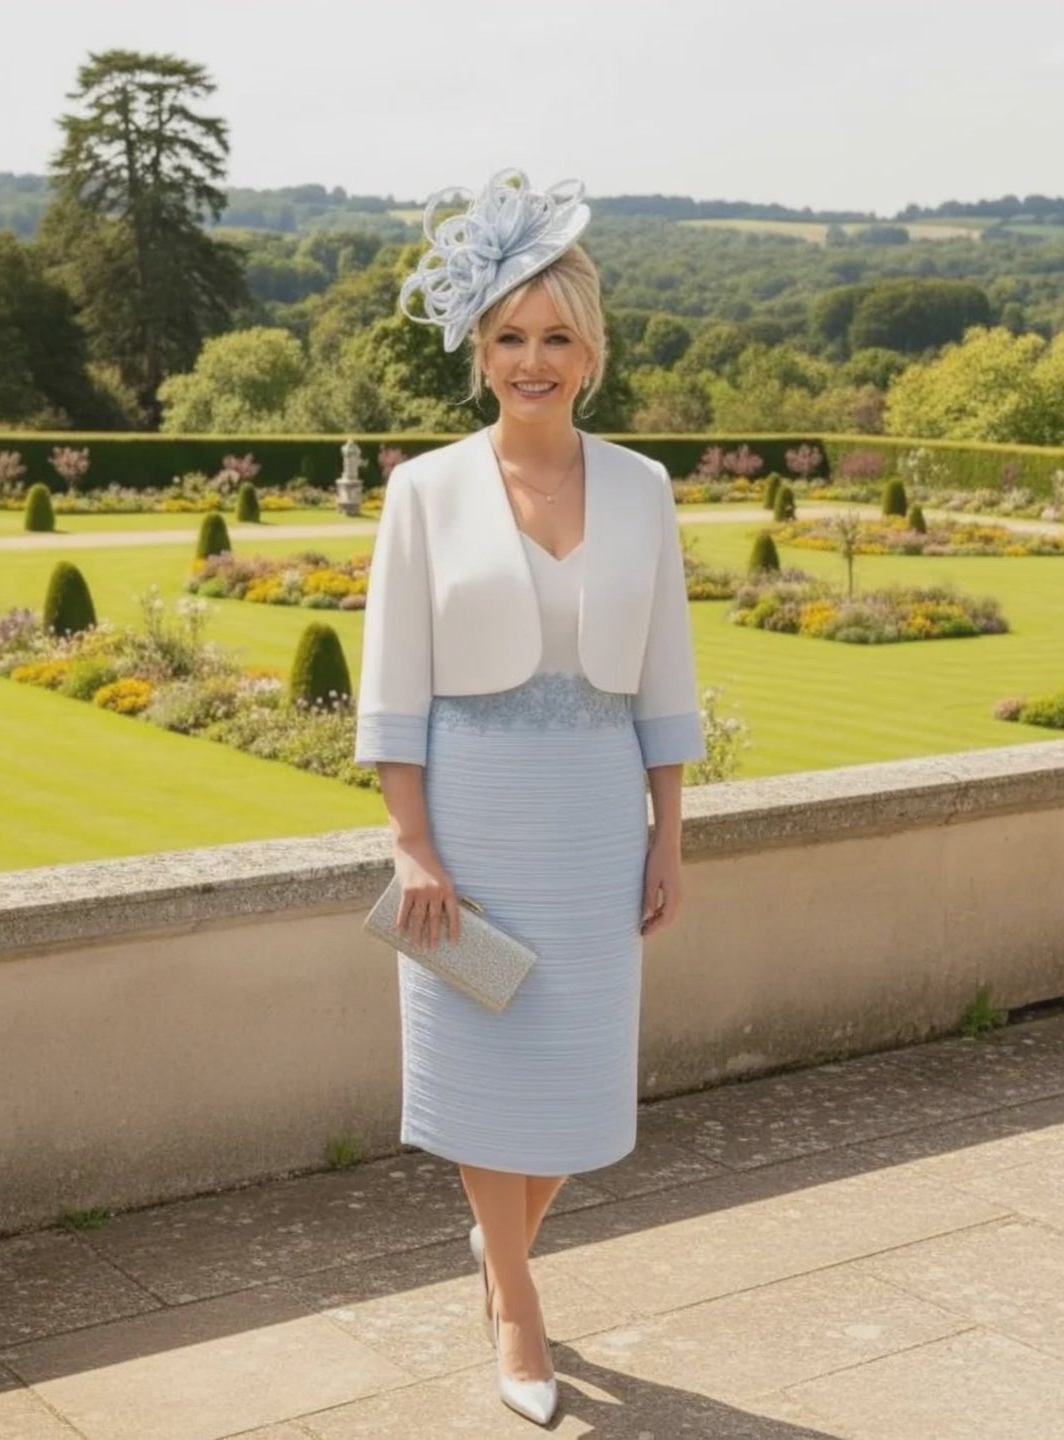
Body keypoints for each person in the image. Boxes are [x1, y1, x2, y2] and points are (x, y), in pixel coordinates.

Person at [354, 168, 705, 1427]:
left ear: (592, 351)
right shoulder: (424, 491)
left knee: (570, 1087)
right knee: (480, 1073)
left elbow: (668, 674)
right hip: (474, 818)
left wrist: (672, 834)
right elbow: (393, 683)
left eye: (557, 336)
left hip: (598, 818)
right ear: (477, 349)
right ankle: (516, 1297)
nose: (533, 359)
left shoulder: (647, 489)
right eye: (510, 335)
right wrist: (412, 846)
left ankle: (499, 1249)